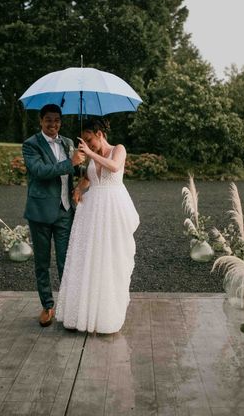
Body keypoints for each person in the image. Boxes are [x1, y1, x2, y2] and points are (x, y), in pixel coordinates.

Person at [56, 118, 140, 334]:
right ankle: (82, 314)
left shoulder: (118, 149)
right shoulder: (91, 157)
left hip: (113, 209)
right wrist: (77, 188)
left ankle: (106, 315)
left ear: (100, 134)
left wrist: (90, 154)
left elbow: (113, 166)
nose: (87, 144)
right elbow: (88, 178)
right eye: (83, 141)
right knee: (89, 257)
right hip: (93, 210)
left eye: (89, 139)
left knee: (111, 258)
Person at [22, 104, 85, 327]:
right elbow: (40, 172)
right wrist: (70, 162)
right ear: (41, 121)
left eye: (57, 120)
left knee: (66, 261)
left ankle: (69, 307)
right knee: (42, 263)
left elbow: (77, 171)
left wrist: (85, 163)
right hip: (40, 213)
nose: (53, 124)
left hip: (65, 211)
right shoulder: (31, 145)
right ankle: (48, 306)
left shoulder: (68, 143)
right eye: (49, 120)